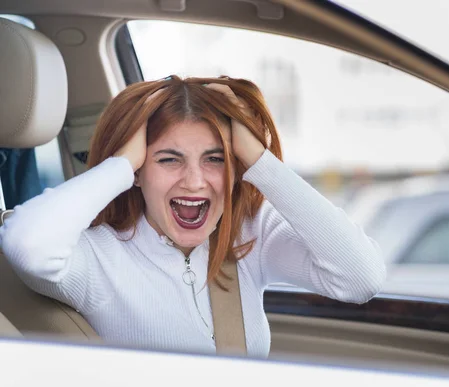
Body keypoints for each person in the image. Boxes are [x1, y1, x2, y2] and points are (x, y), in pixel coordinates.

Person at [0, 75, 386, 358]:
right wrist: (123, 164)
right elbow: (26, 245)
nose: (195, 181)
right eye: (169, 159)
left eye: (215, 159)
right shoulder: (98, 257)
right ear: (138, 171)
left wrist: (259, 161)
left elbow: (360, 278)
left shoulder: (248, 234)